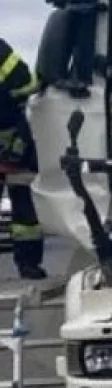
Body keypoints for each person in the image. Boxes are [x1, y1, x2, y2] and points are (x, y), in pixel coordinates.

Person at [0, 38, 47, 280]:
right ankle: (29, 265)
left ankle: (29, 264)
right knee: (23, 206)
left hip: (11, 142)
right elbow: (26, 84)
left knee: (24, 207)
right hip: (12, 139)